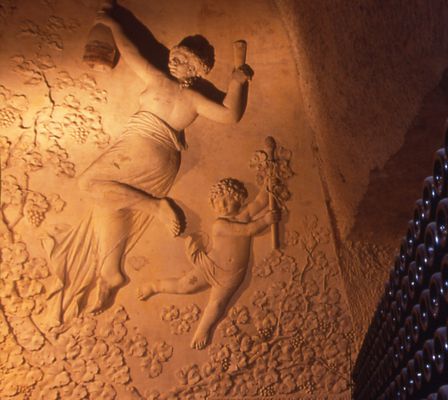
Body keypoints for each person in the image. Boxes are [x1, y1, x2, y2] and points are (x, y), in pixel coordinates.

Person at [44, 3, 252, 327]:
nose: (173, 59)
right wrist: (238, 85)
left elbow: (132, 50)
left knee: (90, 185)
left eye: (181, 59)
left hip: (143, 147)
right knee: (112, 202)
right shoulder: (194, 99)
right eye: (175, 53)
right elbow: (231, 113)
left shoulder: (164, 83)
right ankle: (111, 271)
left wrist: (113, 23)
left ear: (194, 69)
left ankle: (156, 208)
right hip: (161, 160)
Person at [137, 178, 279, 349]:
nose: (223, 206)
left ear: (239, 199)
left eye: (228, 200)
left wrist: (269, 182)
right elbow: (247, 231)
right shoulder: (220, 225)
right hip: (211, 266)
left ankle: (204, 329)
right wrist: (265, 221)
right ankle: (155, 286)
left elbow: (260, 201)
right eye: (218, 203)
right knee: (184, 285)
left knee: (218, 304)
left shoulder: (244, 216)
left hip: (232, 275)